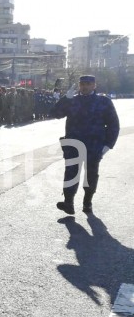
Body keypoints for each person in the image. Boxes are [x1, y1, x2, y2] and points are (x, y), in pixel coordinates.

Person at [50, 75, 119, 214]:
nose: (85, 87)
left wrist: (108, 145)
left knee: (91, 175)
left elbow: (113, 124)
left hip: (94, 145)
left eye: (88, 84)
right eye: (82, 84)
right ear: (79, 85)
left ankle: (87, 202)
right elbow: (55, 114)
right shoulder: (72, 100)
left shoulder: (103, 101)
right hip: (73, 144)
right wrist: (65, 99)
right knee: (70, 174)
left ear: (94, 85)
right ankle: (68, 202)